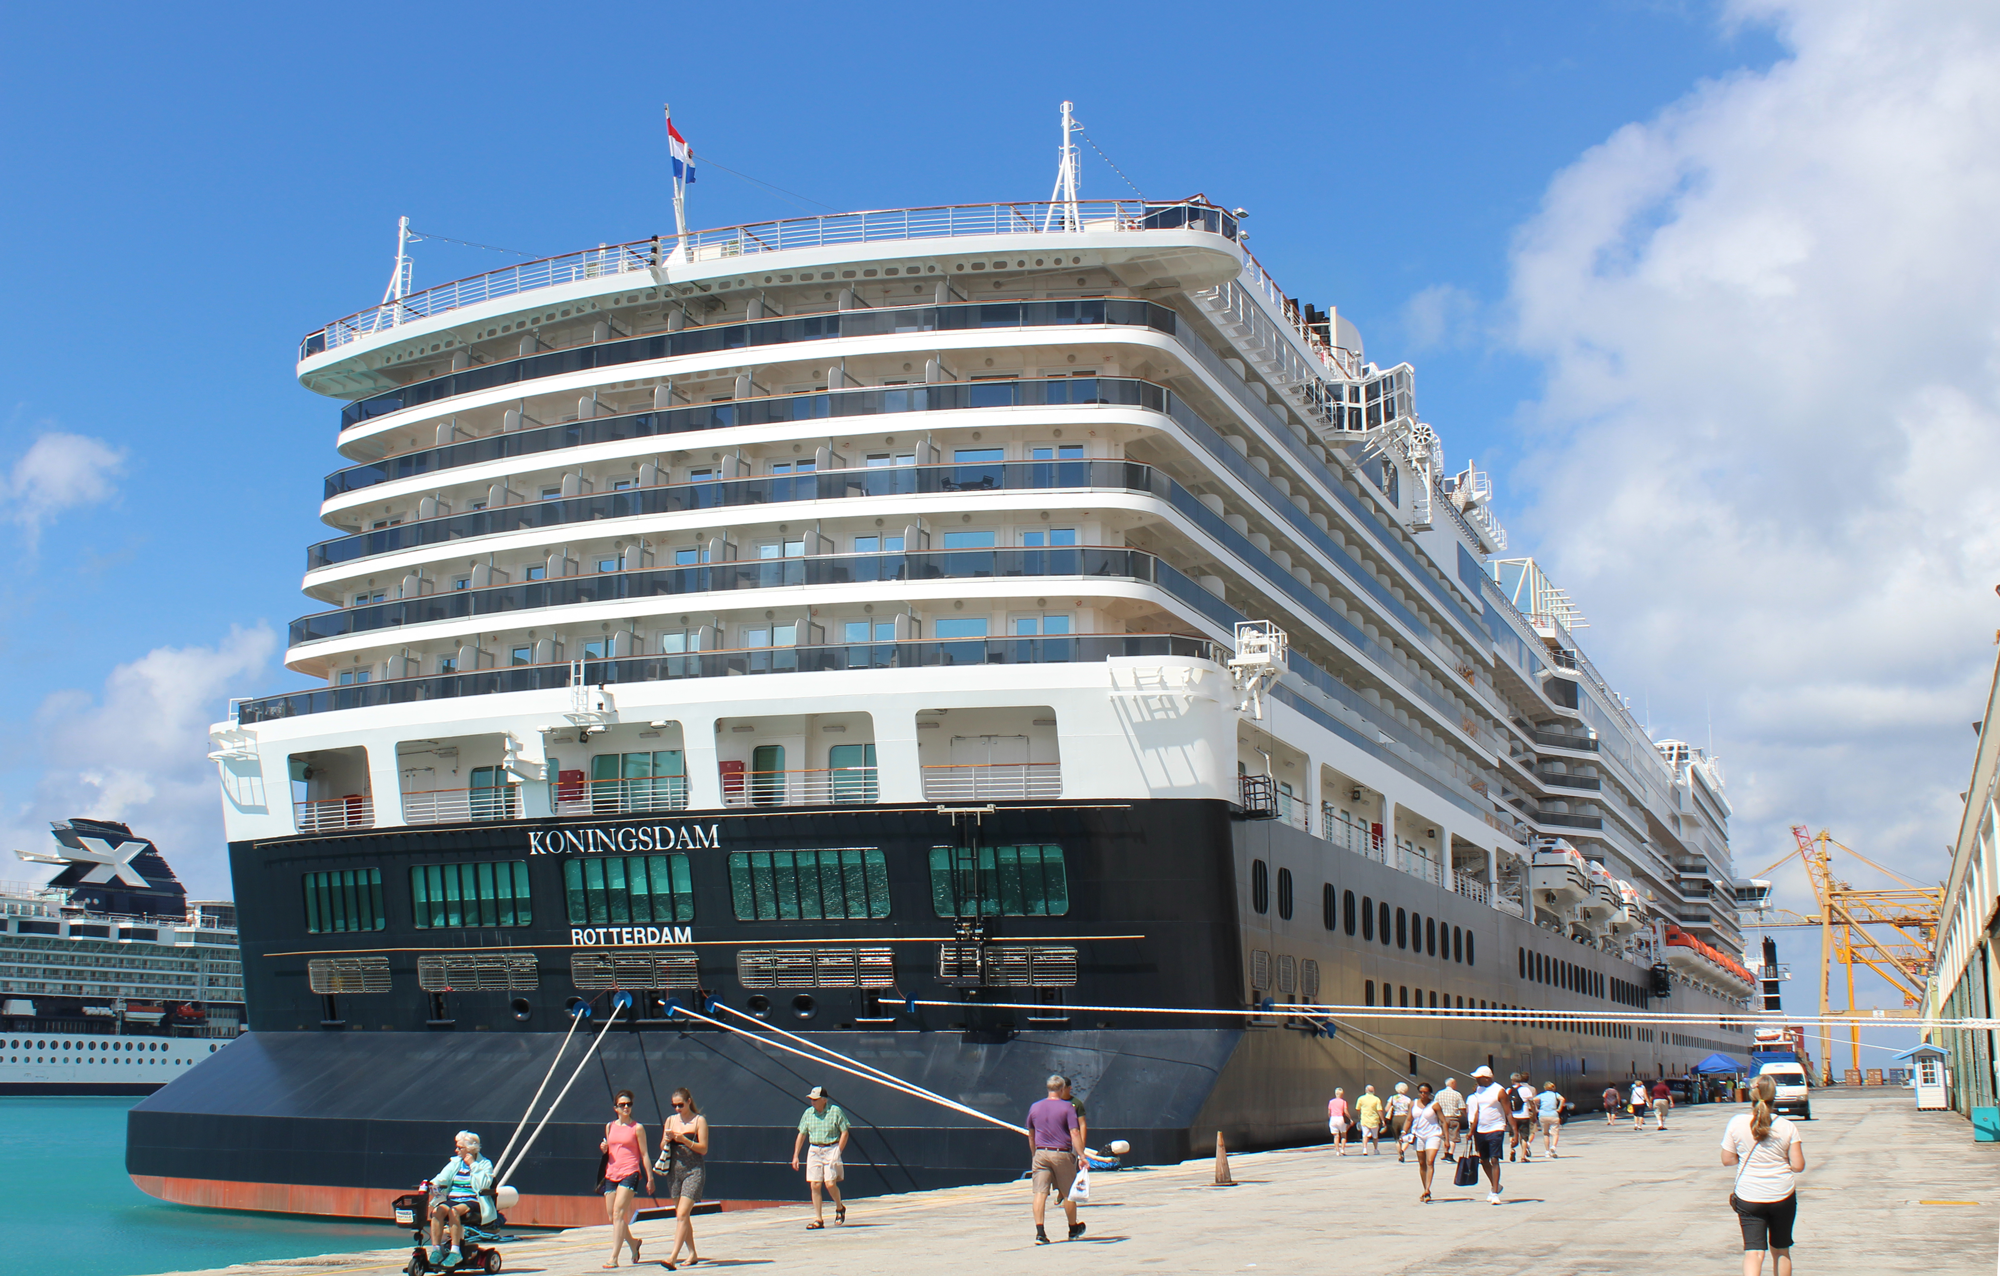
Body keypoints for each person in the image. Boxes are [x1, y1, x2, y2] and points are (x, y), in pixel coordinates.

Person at [1721, 1075, 1805, 1276]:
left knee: (1754, 1252)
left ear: (1752, 1093)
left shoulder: (1737, 1122)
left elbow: (1727, 1159)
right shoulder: (1787, 1126)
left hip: (1748, 1195)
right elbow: (1798, 1165)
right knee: (1781, 1250)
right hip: (1781, 1194)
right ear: (1774, 1095)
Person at [1026, 1074, 1088, 1244]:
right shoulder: (1067, 1107)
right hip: (1061, 1153)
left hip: (1040, 1153)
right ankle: (1073, 1228)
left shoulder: (1035, 1107)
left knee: (1040, 1193)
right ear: (1061, 1090)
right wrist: (1082, 1156)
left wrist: (1034, 1154)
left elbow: (1031, 1135)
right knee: (1069, 1193)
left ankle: (1040, 1233)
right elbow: (1075, 1133)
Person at [599, 1090, 655, 1269]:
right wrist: (604, 1148)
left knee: (618, 1213)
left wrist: (650, 1177)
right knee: (612, 1216)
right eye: (622, 1105)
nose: (626, 1107)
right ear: (615, 1108)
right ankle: (633, 1243)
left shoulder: (637, 1128)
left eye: (628, 1104)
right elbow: (611, 1150)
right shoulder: (609, 1126)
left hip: (630, 1173)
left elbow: (645, 1154)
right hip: (611, 1173)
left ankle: (614, 1257)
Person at [655, 1087, 708, 1268]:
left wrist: (684, 1139)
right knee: (682, 1217)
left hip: (694, 1170)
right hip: (674, 1172)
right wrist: (668, 1139)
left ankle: (673, 1257)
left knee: (682, 1214)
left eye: (680, 1105)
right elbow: (662, 1145)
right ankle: (692, 1254)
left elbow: (703, 1148)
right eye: (674, 1105)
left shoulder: (699, 1121)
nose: (677, 1109)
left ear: (688, 1102)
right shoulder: (670, 1120)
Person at [427, 1130, 494, 1269]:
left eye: (459, 1147)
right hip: (454, 1198)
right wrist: (431, 1184)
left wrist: (473, 1164)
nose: (456, 1150)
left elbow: (484, 1185)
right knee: (437, 1211)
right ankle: (436, 1250)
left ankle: (455, 1251)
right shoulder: (455, 1163)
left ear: (469, 1149)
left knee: (454, 1211)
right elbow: (442, 1177)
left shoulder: (484, 1163)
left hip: (474, 1200)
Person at [790, 1085, 851, 1229]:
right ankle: (818, 1219)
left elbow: (845, 1132)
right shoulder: (808, 1113)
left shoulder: (835, 1112)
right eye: (811, 1099)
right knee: (815, 1184)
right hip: (815, 1150)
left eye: (815, 1099)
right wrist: (796, 1155)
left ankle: (839, 1207)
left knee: (830, 1183)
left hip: (831, 1148)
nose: (813, 1102)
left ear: (824, 1100)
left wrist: (838, 1151)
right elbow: (802, 1134)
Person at [1466, 1065, 1509, 1205]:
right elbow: (1477, 1111)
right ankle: (1495, 1185)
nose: (1476, 1080)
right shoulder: (1479, 1090)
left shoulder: (1499, 1090)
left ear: (1486, 1078)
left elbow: (1508, 1112)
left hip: (1496, 1128)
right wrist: (1472, 1130)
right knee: (1483, 1160)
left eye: (1478, 1078)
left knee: (1494, 1159)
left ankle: (1495, 1193)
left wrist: (1514, 1132)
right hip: (1481, 1129)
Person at [1408, 1083, 1444, 1203]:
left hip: (1433, 1135)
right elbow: (1409, 1119)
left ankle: (1428, 1189)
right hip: (1419, 1136)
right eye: (1421, 1092)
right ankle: (1425, 1189)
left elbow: (1443, 1121)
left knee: (1430, 1161)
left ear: (1430, 1093)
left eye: (1426, 1092)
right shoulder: (1413, 1104)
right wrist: (1404, 1132)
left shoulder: (1435, 1105)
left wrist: (1447, 1139)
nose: (1423, 1094)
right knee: (1422, 1163)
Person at [1509, 1073, 1536, 1162]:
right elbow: (1531, 1103)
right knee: (1524, 1137)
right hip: (1524, 1116)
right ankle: (1523, 1157)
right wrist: (1534, 1113)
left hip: (1512, 1116)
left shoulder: (1508, 1090)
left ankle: (1512, 1149)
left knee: (1512, 1134)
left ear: (1512, 1080)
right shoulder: (1525, 1089)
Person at [1435, 1078, 1464, 1161]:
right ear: (1453, 1083)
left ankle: (1445, 1153)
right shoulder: (1457, 1094)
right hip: (1453, 1118)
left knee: (1445, 1136)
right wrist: (1464, 1114)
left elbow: (1435, 1105)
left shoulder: (1439, 1094)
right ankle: (1450, 1154)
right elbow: (1462, 1106)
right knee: (1453, 1137)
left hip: (1442, 1118)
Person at [1387, 1081, 1414, 1163]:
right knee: (1407, 1137)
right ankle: (1402, 1150)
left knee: (1397, 1139)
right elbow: (1411, 1111)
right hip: (1405, 1119)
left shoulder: (1392, 1098)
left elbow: (1386, 1109)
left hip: (1395, 1119)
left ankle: (1400, 1156)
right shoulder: (1408, 1099)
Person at [1537, 1082, 1564, 1158]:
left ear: (1545, 1088)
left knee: (1546, 1134)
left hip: (1543, 1115)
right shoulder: (1556, 1094)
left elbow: (1533, 1100)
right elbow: (1562, 1099)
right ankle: (1553, 1147)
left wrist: (1536, 1109)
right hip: (1553, 1114)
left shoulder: (1542, 1095)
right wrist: (1559, 1109)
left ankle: (1547, 1152)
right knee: (1555, 1133)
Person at [1355, 1083, 1384, 1155]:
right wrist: (1383, 1120)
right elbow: (1379, 1110)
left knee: (1365, 1135)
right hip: (1374, 1120)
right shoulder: (1376, 1099)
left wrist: (1359, 1115)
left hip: (1364, 1120)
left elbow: (1357, 1109)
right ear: (1373, 1091)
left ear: (1366, 1091)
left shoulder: (1361, 1098)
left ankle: (1365, 1149)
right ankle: (1375, 1149)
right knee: (1375, 1136)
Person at [1326, 1087, 1351, 1155]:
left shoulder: (1331, 1102)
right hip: (1340, 1118)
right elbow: (1345, 1111)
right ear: (1342, 1094)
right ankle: (1342, 1149)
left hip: (1333, 1118)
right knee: (1343, 1135)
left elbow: (1329, 1112)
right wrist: (1350, 1118)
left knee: (1336, 1136)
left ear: (1335, 1094)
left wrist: (1330, 1117)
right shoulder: (1343, 1102)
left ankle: (1337, 1151)